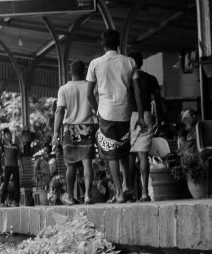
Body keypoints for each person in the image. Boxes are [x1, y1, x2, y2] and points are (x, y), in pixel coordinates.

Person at [87, 29, 144, 202]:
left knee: (111, 153)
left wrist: (97, 112)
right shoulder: (130, 62)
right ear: (118, 43)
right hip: (125, 112)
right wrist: (140, 115)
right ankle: (127, 185)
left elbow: (89, 93)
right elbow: (137, 91)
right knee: (124, 150)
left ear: (103, 44)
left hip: (106, 113)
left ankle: (119, 193)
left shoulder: (95, 63)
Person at [53, 60, 98, 205]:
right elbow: (97, 108)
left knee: (70, 165)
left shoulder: (64, 89)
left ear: (70, 72)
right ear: (84, 72)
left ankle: (71, 197)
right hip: (87, 127)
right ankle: (87, 196)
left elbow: (59, 110)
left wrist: (55, 132)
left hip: (70, 130)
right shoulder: (91, 87)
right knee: (87, 163)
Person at [128, 51, 164, 202]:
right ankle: (144, 193)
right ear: (141, 62)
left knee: (129, 156)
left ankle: (128, 192)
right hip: (146, 116)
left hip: (129, 116)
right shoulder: (151, 79)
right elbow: (158, 100)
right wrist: (160, 120)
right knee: (142, 155)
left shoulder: (127, 79)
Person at [0, 127, 21, 207]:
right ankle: (2, 202)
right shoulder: (3, 146)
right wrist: (0, 133)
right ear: (4, 136)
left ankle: (16, 202)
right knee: (5, 183)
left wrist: (21, 166)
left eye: (9, 134)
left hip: (15, 166)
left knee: (16, 184)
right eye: (6, 134)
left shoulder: (15, 146)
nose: (8, 136)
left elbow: (19, 156)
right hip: (7, 167)